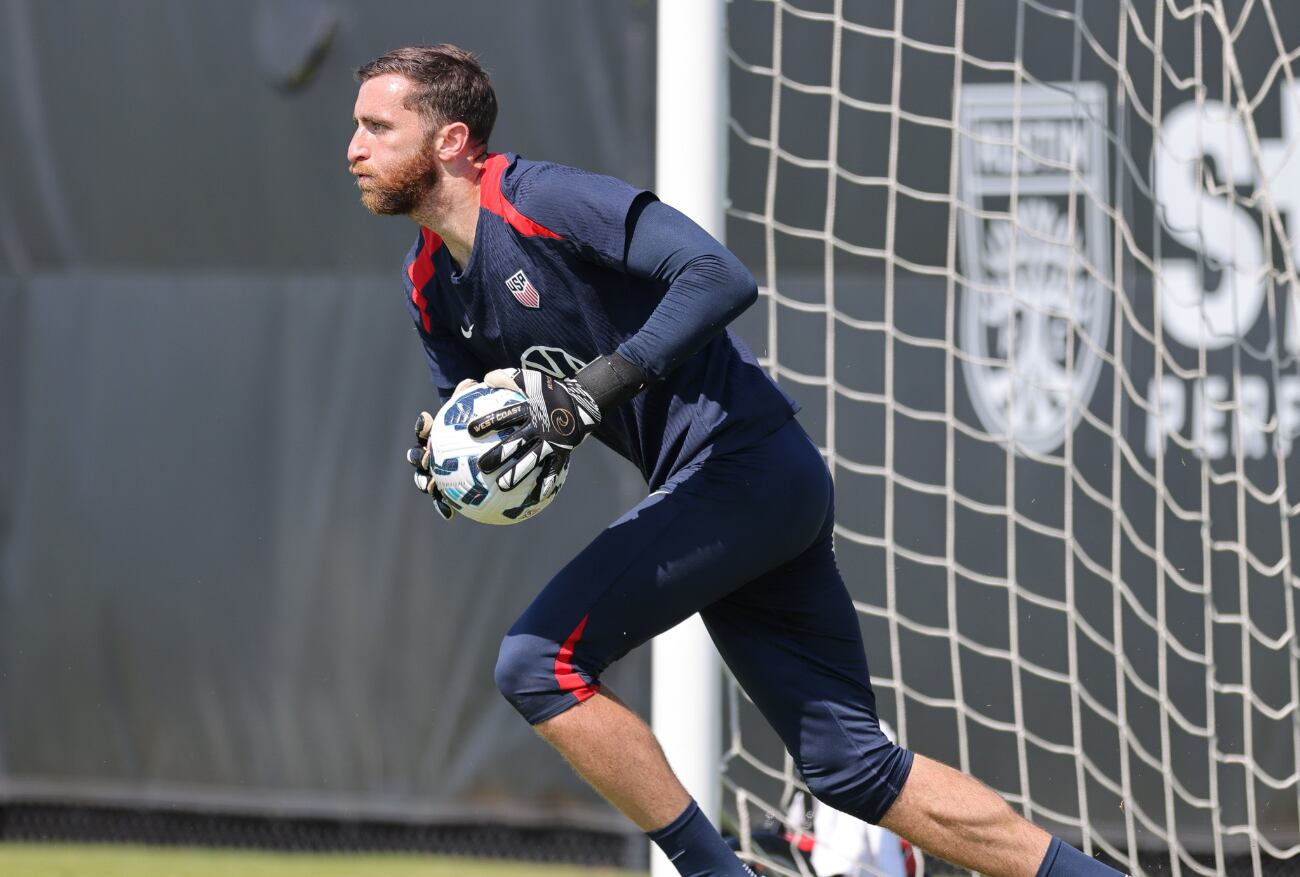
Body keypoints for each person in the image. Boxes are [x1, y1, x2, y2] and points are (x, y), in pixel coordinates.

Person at [347, 44, 1124, 877]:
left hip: (743, 469)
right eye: (355, 128)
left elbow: (718, 274)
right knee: (851, 765)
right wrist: (454, 463)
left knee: (538, 663)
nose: (354, 148)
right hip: (746, 490)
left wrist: (592, 390)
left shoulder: (538, 198)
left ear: (453, 140)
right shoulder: (429, 280)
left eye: (376, 126)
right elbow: (490, 422)